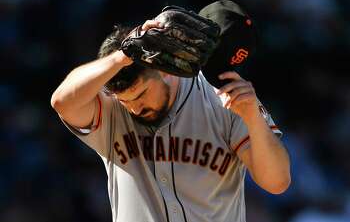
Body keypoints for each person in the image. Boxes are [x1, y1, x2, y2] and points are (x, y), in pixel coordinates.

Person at [51, 19, 291, 222]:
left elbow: (277, 182)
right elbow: (62, 102)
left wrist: (252, 118)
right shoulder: (111, 108)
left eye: (142, 94)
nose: (134, 108)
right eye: (126, 101)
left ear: (165, 69)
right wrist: (122, 56)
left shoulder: (220, 96)